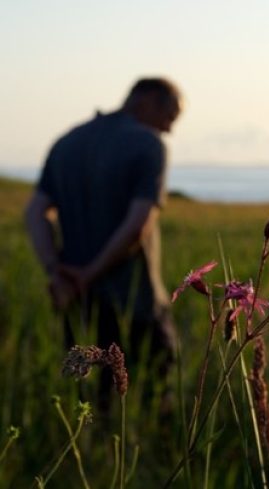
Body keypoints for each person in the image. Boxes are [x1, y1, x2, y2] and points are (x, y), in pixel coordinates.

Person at [25, 77, 182, 411]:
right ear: (147, 101)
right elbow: (138, 225)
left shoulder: (68, 141)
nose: (169, 129)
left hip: (75, 301)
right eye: (170, 116)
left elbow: (35, 213)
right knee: (156, 400)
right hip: (135, 301)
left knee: (89, 405)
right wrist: (91, 273)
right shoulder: (149, 145)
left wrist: (57, 272)